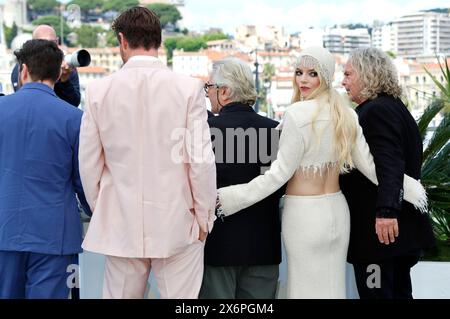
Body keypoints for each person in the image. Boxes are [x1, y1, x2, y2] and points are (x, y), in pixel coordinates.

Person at [216, 47, 428, 298]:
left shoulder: (296, 114)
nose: (303, 79)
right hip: (338, 215)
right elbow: (372, 168)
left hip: (304, 216)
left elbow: (278, 175)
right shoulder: (347, 114)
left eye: (312, 73)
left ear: (324, 77)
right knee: (333, 290)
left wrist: (228, 198)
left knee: (304, 290)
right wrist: (413, 190)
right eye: (299, 72)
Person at [78, 7, 216, 299]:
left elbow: (89, 164)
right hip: (179, 221)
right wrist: (204, 218)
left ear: (122, 40)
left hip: (121, 221)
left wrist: (104, 207)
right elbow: (200, 161)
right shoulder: (189, 89)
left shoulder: (98, 91)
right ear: (159, 40)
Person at [340, 47, 435, 299]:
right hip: (395, 236)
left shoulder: (376, 111)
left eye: (348, 74)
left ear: (367, 74)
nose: (343, 81)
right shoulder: (394, 107)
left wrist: (386, 212)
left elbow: (389, 164)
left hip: (380, 237)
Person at [0, 39, 90, 299]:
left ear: (24, 70)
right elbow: (84, 180)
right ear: (56, 74)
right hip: (55, 237)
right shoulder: (75, 119)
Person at [199, 58, 284, 299]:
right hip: (263, 247)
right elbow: (279, 186)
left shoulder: (206, 131)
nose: (207, 95)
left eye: (210, 88)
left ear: (224, 92)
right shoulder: (274, 130)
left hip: (218, 247)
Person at [11, 25, 81, 107]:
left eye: (51, 44)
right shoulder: (21, 66)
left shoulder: (66, 66)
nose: (47, 49)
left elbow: (74, 102)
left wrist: (64, 81)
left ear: (57, 42)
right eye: (43, 44)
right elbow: (21, 98)